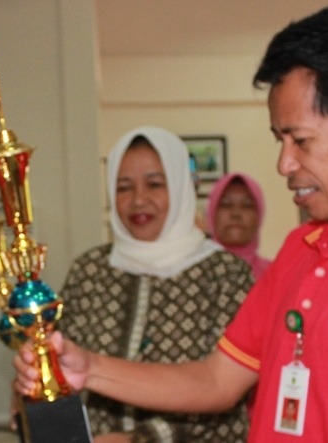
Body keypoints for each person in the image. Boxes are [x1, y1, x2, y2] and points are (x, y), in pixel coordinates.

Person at [15, 6, 328, 442]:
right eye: (280, 140)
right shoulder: (303, 246)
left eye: (301, 141)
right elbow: (217, 380)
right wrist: (90, 368)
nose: (285, 164)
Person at [58, 126, 254, 442]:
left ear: (180, 186)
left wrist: (138, 440)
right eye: (123, 187)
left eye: (155, 184)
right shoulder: (89, 270)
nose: (138, 200)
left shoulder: (225, 275)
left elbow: (228, 391)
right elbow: (62, 371)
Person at [206, 173, 272, 279]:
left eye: (247, 205)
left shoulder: (276, 275)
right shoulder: (194, 276)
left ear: (259, 215)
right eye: (226, 204)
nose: (235, 214)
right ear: (212, 213)